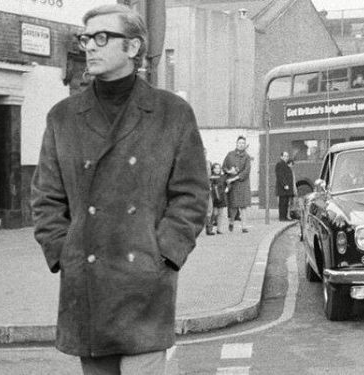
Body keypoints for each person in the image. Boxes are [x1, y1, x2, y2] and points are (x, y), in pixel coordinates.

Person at [30, 5, 209, 374]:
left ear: (132, 47)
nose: (89, 48)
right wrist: (65, 252)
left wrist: (164, 253)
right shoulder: (63, 117)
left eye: (101, 38)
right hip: (88, 285)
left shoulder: (171, 114)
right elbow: (46, 199)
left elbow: (191, 196)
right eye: (86, 39)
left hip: (144, 284)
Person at [223, 136, 251, 233]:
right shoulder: (230, 155)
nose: (241, 145)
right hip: (233, 185)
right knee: (233, 206)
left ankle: (244, 226)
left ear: (245, 145)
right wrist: (229, 171)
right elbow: (224, 167)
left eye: (243, 143)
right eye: (239, 143)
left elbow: (246, 171)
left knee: (243, 206)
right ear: (236, 143)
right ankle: (231, 222)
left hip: (243, 184)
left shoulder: (247, 157)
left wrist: (236, 177)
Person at [209, 163, 228, 234]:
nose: (217, 170)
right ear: (213, 169)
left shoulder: (223, 177)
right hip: (214, 197)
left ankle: (219, 229)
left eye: (218, 168)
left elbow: (228, 183)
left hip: (221, 196)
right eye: (215, 168)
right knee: (214, 213)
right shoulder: (211, 177)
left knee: (220, 213)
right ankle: (210, 228)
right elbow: (210, 186)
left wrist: (227, 188)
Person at [275, 151, 294, 221]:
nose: (286, 157)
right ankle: (282, 217)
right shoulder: (279, 164)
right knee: (282, 203)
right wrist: (285, 185)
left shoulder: (286, 164)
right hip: (282, 188)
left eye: (287, 156)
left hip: (286, 188)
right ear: (281, 157)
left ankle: (285, 217)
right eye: (285, 156)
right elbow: (280, 176)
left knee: (286, 203)